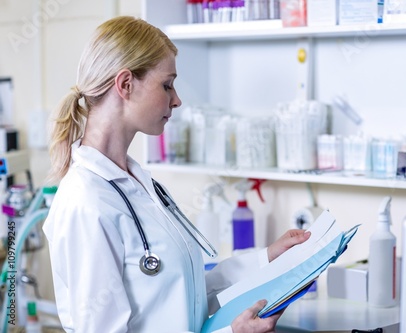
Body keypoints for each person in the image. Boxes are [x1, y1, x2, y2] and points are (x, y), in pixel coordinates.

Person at [43, 16, 310, 333]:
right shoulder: (86, 203)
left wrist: (267, 258)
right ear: (125, 84)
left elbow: (186, 292)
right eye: (166, 84)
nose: (177, 99)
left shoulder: (137, 184)